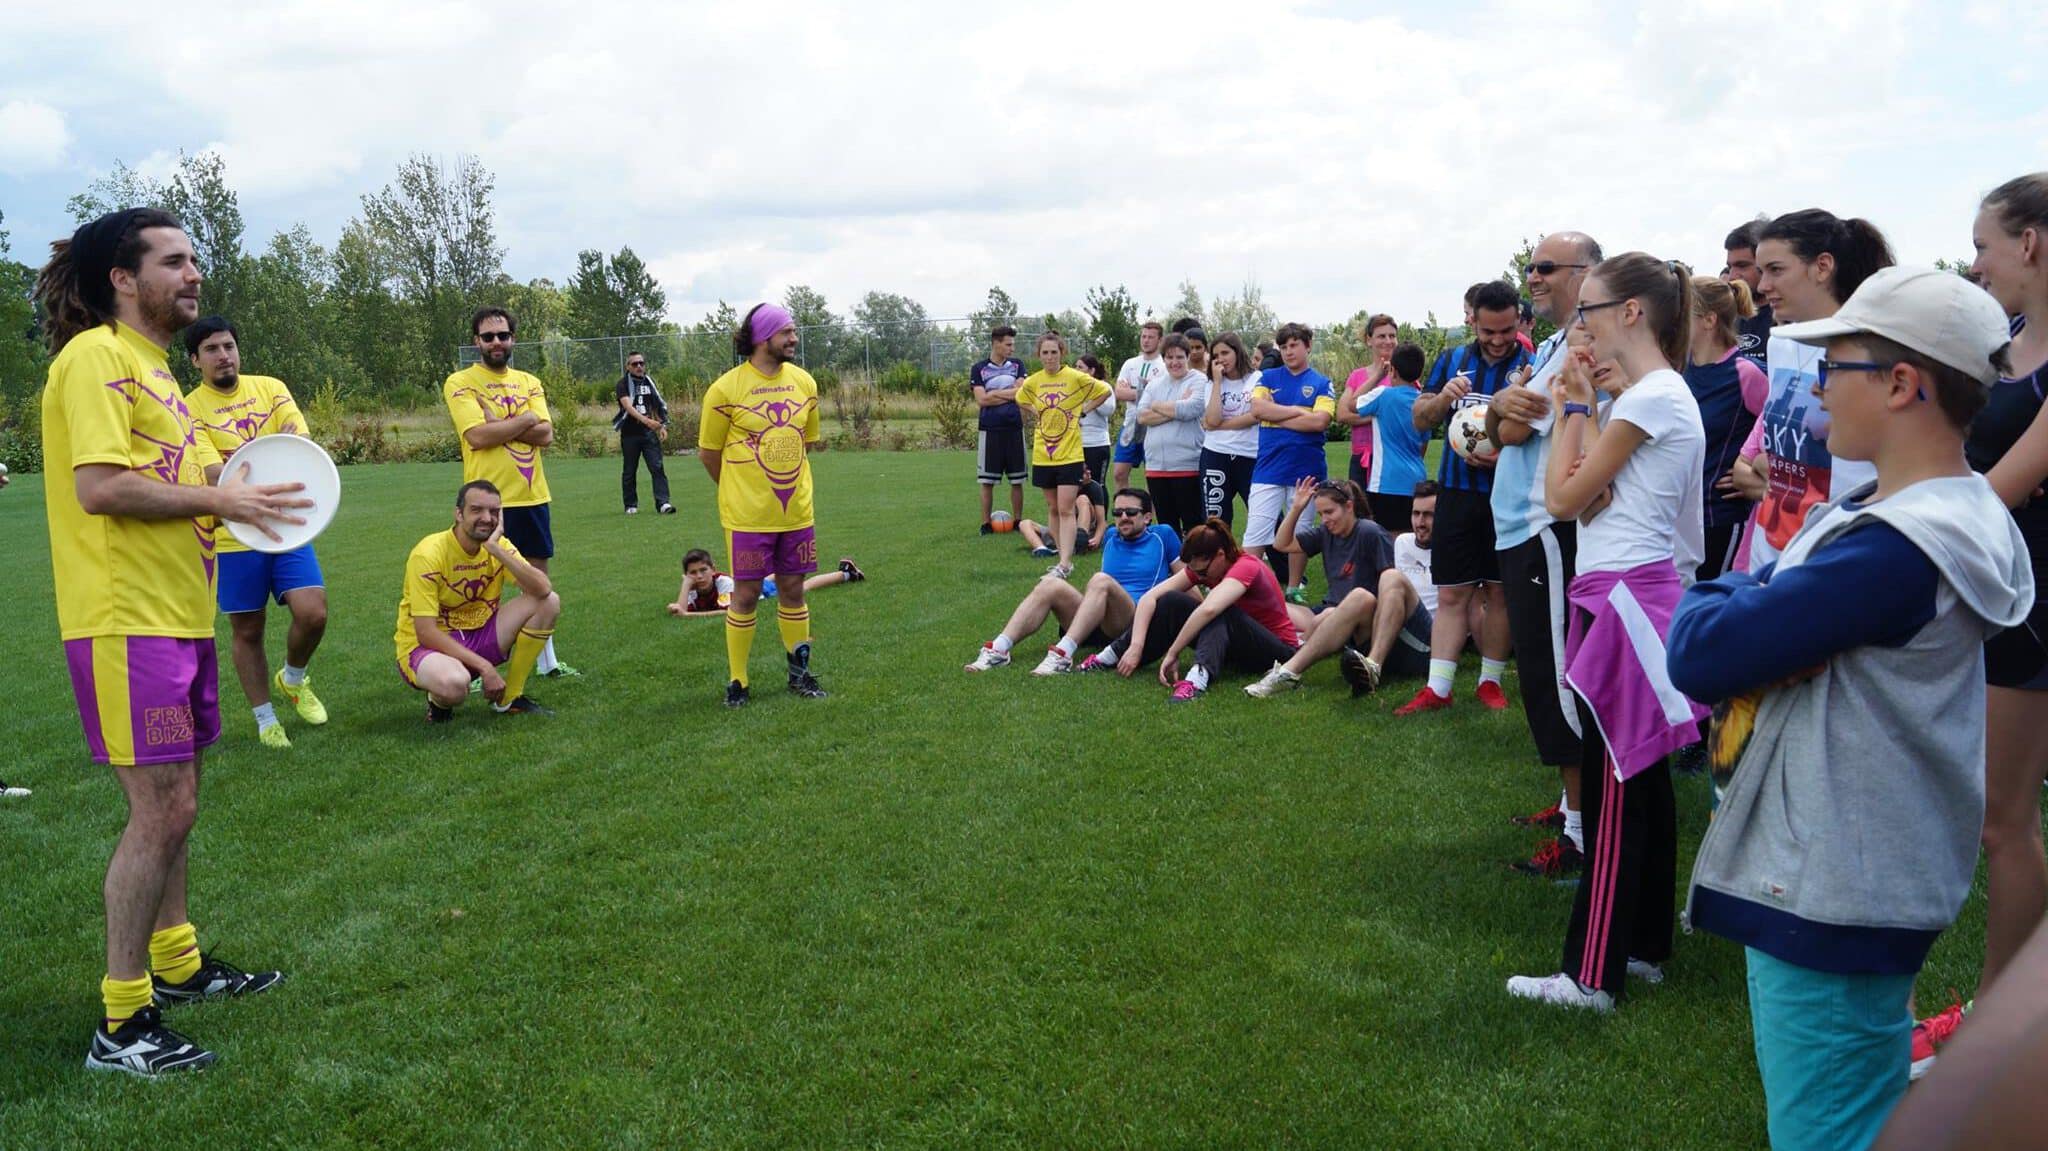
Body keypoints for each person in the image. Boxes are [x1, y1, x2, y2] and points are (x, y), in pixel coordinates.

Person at [1669, 266, 2029, 1148]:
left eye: (1839, 366)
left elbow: (1700, 648)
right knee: (1854, 1099)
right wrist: (1746, 597)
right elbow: (1751, 598)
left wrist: (1724, 598)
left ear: (1904, 385)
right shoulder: (1910, 510)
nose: (1820, 384)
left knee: (1828, 1127)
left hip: (1832, 887)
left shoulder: (1896, 551)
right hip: (1858, 870)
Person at [36, 208, 308, 1077]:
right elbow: (101, 486)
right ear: (123, 277)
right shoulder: (97, 360)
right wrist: (224, 504)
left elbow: (178, 484)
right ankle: (122, 1022)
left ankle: (180, 967)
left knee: (181, 800)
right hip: (125, 618)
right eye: (175, 261)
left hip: (177, 613)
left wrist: (241, 491)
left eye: (195, 260)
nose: (194, 274)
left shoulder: (157, 372)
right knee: (160, 808)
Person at [1506, 252, 1709, 1014]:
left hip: (1626, 596)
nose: (1578, 325)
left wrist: (1576, 408)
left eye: (1588, 310)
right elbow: (1586, 499)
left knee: (1617, 788)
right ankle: (1644, 946)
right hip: (1626, 589)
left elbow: (1561, 497)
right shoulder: (1653, 397)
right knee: (1642, 782)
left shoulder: (1649, 399)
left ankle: (1592, 974)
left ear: (1632, 313)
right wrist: (1587, 428)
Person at [1910, 173, 2048, 1069]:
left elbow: (2000, 489)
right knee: (1977, 813)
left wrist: (1889, 545)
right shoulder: (2005, 345)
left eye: (1983, 245)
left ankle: (2003, 1022)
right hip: (1990, 592)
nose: (1974, 263)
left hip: (2031, 608)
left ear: (2031, 244)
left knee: (2001, 820)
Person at [1486, 231, 1601, 871]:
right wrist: (1500, 409)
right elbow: (1502, 425)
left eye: (1546, 267)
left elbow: (1506, 427)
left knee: (1557, 679)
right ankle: (1570, 806)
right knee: (1541, 674)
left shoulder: (1586, 343)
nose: (1532, 277)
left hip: (1544, 526)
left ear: (1588, 272)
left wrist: (1500, 408)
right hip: (1520, 525)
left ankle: (1581, 838)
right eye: (1528, 266)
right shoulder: (1556, 343)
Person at [182, 315, 330, 751]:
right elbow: (216, 476)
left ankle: (295, 678)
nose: (223, 355)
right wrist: (271, 456)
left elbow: (300, 445)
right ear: (195, 360)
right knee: (248, 629)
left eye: (228, 345)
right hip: (233, 534)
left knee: (313, 612)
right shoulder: (189, 408)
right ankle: (265, 719)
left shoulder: (270, 387)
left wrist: (256, 463)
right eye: (211, 349)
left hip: (289, 524)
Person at [1400, 279, 1530, 715]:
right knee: (1453, 592)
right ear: (1473, 320)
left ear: (1519, 322)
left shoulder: (1533, 365)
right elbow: (1420, 419)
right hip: (1455, 494)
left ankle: (1489, 683)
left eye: (1506, 331)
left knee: (1499, 593)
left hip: (1509, 498)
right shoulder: (1453, 359)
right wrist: (1442, 402)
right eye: (1487, 331)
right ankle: (1438, 688)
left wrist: (1506, 458)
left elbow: (1543, 436)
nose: (1496, 341)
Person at [1746, 208, 1895, 573]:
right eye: (1761, 271)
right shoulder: (1779, 341)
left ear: (1822, 267)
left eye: (1776, 270)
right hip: (1770, 552)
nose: (1762, 285)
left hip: (1840, 555)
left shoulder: (1874, 348)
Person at [698, 302, 829, 706]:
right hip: (748, 517)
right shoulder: (725, 389)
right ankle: (738, 681)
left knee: (793, 589)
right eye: (786, 331)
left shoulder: (805, 383)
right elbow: (709, 453)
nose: (794, 338)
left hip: (796, 513)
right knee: (747, 594)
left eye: (793, 331)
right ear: (761, 338)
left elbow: (805, 443)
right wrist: (741, 489)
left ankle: (800, 674)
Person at [445, 307, 575, 678]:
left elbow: (546, 435)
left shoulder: (529, 381)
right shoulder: (461, 382)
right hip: (485, 504)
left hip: (532, 496)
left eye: (503, 335)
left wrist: (499, 423)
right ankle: (473, 667)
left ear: (513, 338)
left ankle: (547, 663)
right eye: (488, 337)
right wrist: (525, 420)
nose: (496, 342)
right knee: (478, 588)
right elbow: (477, 436)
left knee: (539, 583)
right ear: (476, 342)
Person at [1245, 478, 1431, 697]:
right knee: (1273, 608)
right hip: (1335, 615)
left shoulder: (1370, 532)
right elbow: (1281, 545)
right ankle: (1290, 651)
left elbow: (1391, 592)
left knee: (1355, 599)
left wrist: (1335, 616)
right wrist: (1296, 508)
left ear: (1349, 506)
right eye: (1320, 514)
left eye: (1329, 512)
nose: (1325, 520)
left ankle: (1288, 672)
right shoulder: (1326, 533)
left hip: (1370, 623)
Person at [966, 487, 1181, 673]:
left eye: (1131, 512)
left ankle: (1063, 654)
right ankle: (999, 649)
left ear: (1147, 517)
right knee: (1050, 583)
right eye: (1117, 512)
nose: (1123, 516)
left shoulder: (1163, 535)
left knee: (1101, 580)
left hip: (1132, 621)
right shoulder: (1110, 536)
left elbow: (1185, 580)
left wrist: (1198, 619)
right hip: (1098, 619)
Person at [396, 480, 561, 721]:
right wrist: (485, 667)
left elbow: (543, 589)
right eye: (477, 510)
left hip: (479, 632)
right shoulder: (428, 554)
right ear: (458, 514)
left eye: (494, 512)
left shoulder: (498, 546)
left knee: (549, 602)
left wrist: (496, 550)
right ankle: (439, 703)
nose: (487, 518)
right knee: (454, 685)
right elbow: (426, 633)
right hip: (429, 646)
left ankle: (510, 698)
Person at [1086, 517, 1300, 701]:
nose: (1201, 577)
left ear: (1220, 555)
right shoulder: (1203, 568)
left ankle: (1197, 680)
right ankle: (1111, 655)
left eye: (1204, 572)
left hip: (1277, 652)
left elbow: (1209, 609)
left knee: (1220, 611)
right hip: (1238, 645)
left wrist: (1173, 651)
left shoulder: (1246, 566)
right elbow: (1150, 598)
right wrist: (1136, 645)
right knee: (1171, 600)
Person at [1686, 276, 1768, 580]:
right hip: (1679, 520)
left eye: (1682, 314)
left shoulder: (1745, 373)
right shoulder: (1678, 370)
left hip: (1720, 520)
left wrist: (1748, 473)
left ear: (1708, 320)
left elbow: (1777, 430)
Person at [1245, 322, 1336, 596]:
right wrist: (1298, 411)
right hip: (1268, 468)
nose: (1288, 351)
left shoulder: (1322, 383)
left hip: (1306, 469)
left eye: (1294, 345)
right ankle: (1245, 585)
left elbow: (1319, 421)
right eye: (1283, 346)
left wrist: (1278, 414)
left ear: (1307, 346)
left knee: (1301, 531)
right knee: (1256, 529)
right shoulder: (1268, 378)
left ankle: (1294, 587)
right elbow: (1258, 408)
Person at [1015, 330, 1113, 580]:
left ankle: (1066, 563)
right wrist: (1036, 410)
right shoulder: (1034, 381)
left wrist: (1083, 410)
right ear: (1039, 355)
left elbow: (1104, 391)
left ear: (1062, 353)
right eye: (1045, 353)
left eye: (1054, 352)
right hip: (1043, 454)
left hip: (1069, 454)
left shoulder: (1074, 376)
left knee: (1066, 507)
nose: (1049, 357)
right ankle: (1061, 556)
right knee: (1052, 507)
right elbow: (1020, 398)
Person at [1351, 341, 1431, 535]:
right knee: (1411, 537)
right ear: (1419, 373)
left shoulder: (1383, 395)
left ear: (1392, 370)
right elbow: (1423, 446)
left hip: (1386, 482)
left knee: (1388, 540)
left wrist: (1378, 375)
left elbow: (1353, 403)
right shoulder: (1425, 402)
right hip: (1416, 481)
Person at [1135, 332, 1210, 535]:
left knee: (1194, 525)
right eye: (1169, 357)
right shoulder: (1156, 383)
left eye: (1179, 357)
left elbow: (1192, 408)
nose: (1174, 362)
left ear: (1187, 357)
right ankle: (1174, 566)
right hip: (1156, 466)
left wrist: (1157, 405)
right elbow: (1141, 416)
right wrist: (1176, 409)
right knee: (1167, 526)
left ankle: (1197, 566)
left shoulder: (1199, 380)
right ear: (1164, 358)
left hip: (1187, 465)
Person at [670, 548, 864, 616]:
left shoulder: (723, 583)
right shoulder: (693, 586)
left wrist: (686, 616)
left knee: (801, 587)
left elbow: (726, 612)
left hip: (759, 593)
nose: (699, 576)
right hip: (748, 584)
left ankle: (846, 574)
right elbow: (681, 608)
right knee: (773, 575)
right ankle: (783, 564)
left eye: (703, 570)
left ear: (713, 568)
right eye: (693, 573)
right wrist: (686, 585)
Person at [1199, 333, 1261, 527]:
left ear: (1237, 352)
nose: (1221, 359)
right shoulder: (1211, 383)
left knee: (1263, 512)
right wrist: (1217, 382)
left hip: (1249, 454)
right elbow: (1213, 417)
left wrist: (1217, 426)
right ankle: (1220, 556)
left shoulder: (1256, 379)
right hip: (1216, 454)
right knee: (1216, 517)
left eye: (1225, 352)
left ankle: (1278, 557)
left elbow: (1255, 416)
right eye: (1216, 355)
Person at [972, 325, 1028, 535]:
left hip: (1014, 428)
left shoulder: (1017, 365)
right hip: (990, 430)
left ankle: (1018, 522)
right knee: (987, 481)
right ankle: (986, 524)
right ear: (996, 343)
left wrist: (995, 393)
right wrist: (1009, 392)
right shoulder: (979, 369)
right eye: (1008, 344)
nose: (1012, 349)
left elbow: (1021, 393)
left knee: (1017, 480)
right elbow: (981, 400)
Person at [1336, 313, 1399, 492]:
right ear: (1369, 340)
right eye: (1381, 336)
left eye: (1392, 336)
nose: (1388, 341)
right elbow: (1342, 414)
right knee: (1361, 514)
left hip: (1391, 457)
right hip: (1362, 458)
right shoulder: (1358, 376)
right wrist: (1379, 416)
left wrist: (1365, 414)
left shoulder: (1405, 375)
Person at [614, 350, 672, 515]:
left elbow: (658, 404)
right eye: (634, 364)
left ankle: (663, 503)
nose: (639, 366)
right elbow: (628, 407)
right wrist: (648, 422)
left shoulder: (649, 382)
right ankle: (630, 505)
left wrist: (662, 426)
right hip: (630, 434)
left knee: (657, 467)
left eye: (641, 363)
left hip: (648, 434)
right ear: (628, 366)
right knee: (630, 470)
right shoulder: (622, 384)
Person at [1113, 321, 1166, 490]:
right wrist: (1147, 391)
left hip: (1152, 426)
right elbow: (1119, 393)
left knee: (1152, 477)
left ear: (1160, 340)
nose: (1146, 340)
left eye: (1151, 337)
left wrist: (1134, 391)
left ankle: (1149, 516)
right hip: (1130, 425)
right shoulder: (1130, 364)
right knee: (1119, 473)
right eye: (1143, 336)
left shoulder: (1164, 366)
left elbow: (1161, 397)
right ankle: (1124, 513)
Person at [1723, 217, 1776, 366]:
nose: (1733, 276)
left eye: (1742, 265)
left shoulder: (1789, 318)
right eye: (1730, 267)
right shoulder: (1726, 319)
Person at [1019, 482, 1103, 557]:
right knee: (1024, 523)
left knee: (1082, 499)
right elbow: (1054, 518)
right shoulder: (1059, 489)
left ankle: (1080, 541)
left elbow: (1102, 522)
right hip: (1062, 532)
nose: (1089, 472)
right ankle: (1042, 549)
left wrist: (1097, 538)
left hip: (1088, 532)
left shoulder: (1094, 488)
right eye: (1084, 471)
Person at [1077, 353, 1115, 487]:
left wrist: (1093, 395)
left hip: (1097, 444)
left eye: (1080, 367)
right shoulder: (1074, 388)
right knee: (1078, 484)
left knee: (1097, 484)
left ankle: (1100, 508)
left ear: (1091, 370)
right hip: (1076, 444)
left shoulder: (1104, 387)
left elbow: (1108, 410)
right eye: (1076, 367)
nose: (1077, 371)